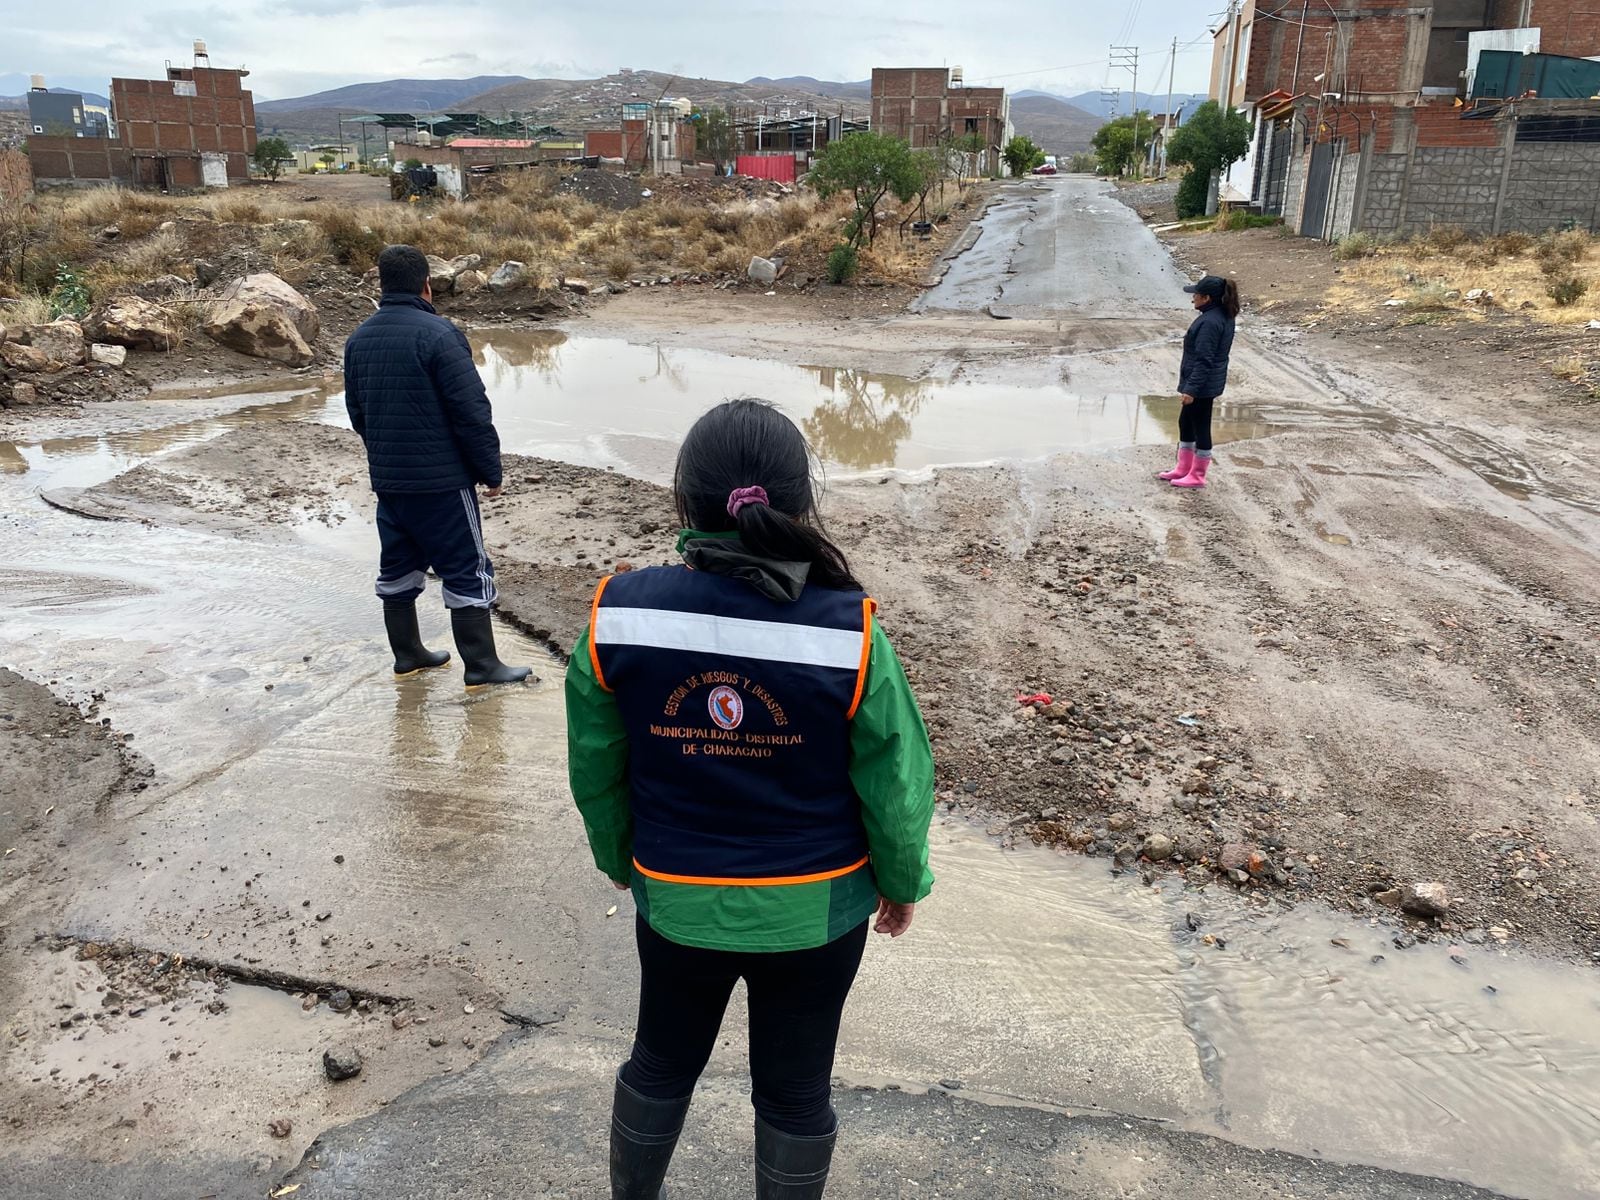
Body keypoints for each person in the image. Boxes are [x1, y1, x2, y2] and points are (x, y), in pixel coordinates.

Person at [565, 399, 936, 1199]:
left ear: (684, 502)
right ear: (801, 505)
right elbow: (896, 780)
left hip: (675, 896)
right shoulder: (852, 632)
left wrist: (622, 860)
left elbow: (594, 767)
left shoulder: (616, 616)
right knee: (797, 1091)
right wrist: (902, 883)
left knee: (661, 1060)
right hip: (819, 909)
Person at [344, 244, 530, 687]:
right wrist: (490, 471)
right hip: (443, 483)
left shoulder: (358, 339)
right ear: (427, 285)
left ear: (382, 285)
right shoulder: (440, 335)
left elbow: (358, 414)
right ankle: (483, 666)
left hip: (391, 483)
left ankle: (408, 655)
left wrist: (389, 457)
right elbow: (471, 411)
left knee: (398, 567)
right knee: (467, 567)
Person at [1158, 273, 1239, 490]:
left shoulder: (1210, 322)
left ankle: (1198, 475)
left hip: (1202, 385)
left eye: (1196, 294)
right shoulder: (1217, 315)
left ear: (1207, 298)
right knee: (1186, 423)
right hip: (1203, 382)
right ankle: (1184, 468)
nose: (1192, 298)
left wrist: (1191, 389)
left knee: (1200, 427)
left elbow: (1204, 359)